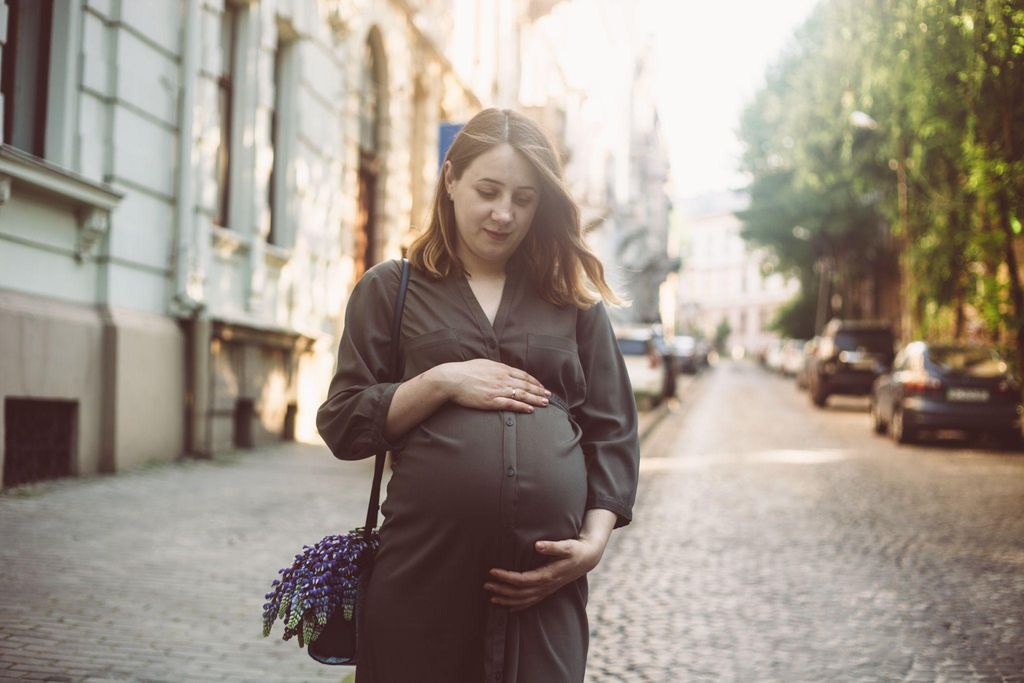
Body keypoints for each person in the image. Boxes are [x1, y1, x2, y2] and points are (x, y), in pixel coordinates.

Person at [316, 108, 640, 682]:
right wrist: (441, 381)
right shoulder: (391, 290)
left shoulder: (572, 301)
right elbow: (343, 423)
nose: (504, 214)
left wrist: (591, 545)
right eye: (488, 191)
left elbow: (613, 432)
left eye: (524, 198)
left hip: (543, 596)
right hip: (421, 582)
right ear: (450, 181)